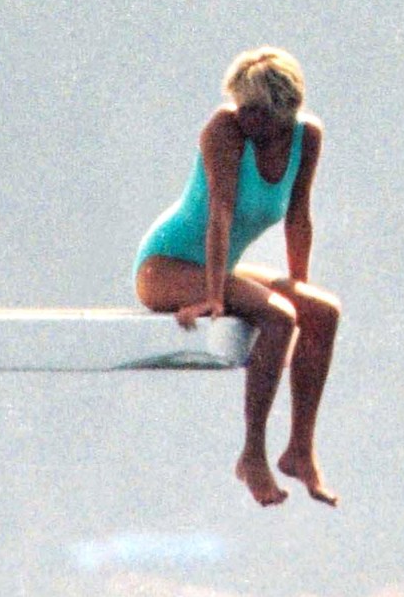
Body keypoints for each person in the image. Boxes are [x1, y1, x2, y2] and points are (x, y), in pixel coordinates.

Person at [133, 48, 340, 507]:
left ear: (283, 112)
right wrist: (213, 299)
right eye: (239, 104)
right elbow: (220, 216)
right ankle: (252, 454)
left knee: (321, 312)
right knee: (278, 318)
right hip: (165, 264)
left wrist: (297, 285)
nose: (242, 115)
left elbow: (299, 217)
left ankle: (300, 451)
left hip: (217, 266)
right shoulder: (224, 131)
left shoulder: (306, 138)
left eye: (254, 109)